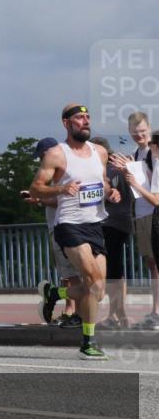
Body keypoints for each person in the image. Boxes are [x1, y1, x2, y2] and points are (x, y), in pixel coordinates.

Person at [31, 104, 120, 360]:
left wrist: (110, 192)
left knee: (97, 290)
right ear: (66, 123)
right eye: (79, 117)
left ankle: (54, 293)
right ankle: (88, 343)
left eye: (88, 117)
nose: (85, 121)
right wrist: (61, 189)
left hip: (95, 224)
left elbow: (102, 182)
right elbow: (36, 188)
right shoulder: (57, 154)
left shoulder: (99, 152)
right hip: (69, 225)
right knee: (93, 281)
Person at [27, 137, 81, 327]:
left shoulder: (61, 173)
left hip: (63, 227)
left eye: (41, 156)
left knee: (71, 274)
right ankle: (72, 310)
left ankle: (70, 309)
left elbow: (62, 201)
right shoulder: (60, 171)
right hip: (64, 227)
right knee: (69, 274)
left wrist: (40, 200)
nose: (41, 161)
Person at [91, 136, 133, 330]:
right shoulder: (120, 166)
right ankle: (116, 314)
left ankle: (117, 315)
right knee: (116, 270)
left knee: (112, 271)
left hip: (112, 222)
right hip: (122, 221)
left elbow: (106, 196)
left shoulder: (108, 170)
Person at [120, 130, 159, 330]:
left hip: (153, 215)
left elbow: (156, 200)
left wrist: (135, 181)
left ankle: (157, 313)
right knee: (153, 265)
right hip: (147, 215)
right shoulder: (153, 162)